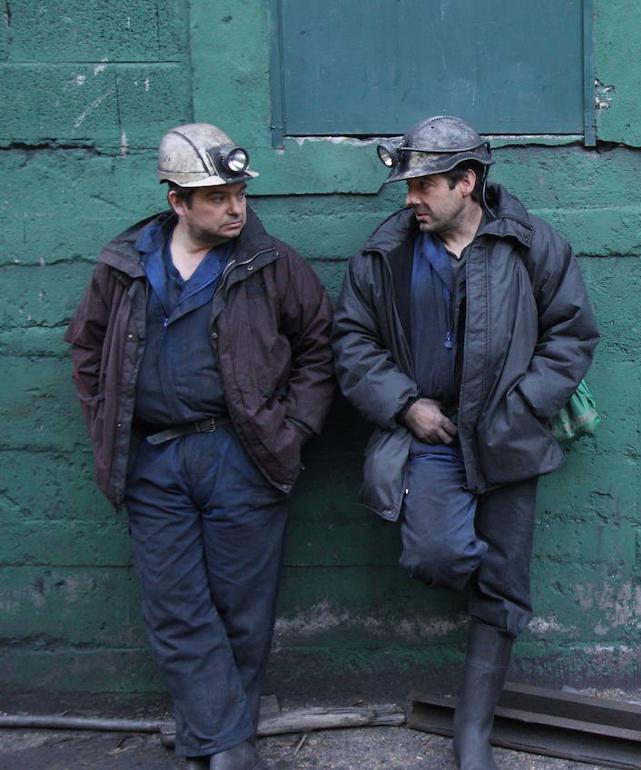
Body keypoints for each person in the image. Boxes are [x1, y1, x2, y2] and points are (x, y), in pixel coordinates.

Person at [65, 123, 336, 770]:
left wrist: (292, 429)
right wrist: (107, 419)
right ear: (177, 201)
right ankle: (228, 744)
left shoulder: (272, 265)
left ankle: (209, 744)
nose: (235, 207)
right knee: (174, 607)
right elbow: (86, 347)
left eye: (239, 192)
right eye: (216, 196)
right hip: (154, 461)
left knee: (243, 609)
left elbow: (320, 349)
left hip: (243, 455)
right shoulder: (124, 265)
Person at [332, 115, 599, 770]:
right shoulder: (384, 254)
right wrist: (405, 405)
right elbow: (351, 342)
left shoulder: (533, 245)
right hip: (433, 434)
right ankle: (492, 594)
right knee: (435, 554)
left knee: (505, 584)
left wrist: (526, 404)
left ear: (467, 182)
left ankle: (472, 733)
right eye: (408, 186)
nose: (410, 199)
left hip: (510, 435)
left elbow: (572, 334)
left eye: (424, 186)